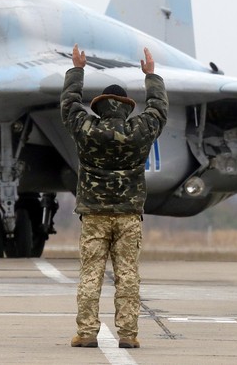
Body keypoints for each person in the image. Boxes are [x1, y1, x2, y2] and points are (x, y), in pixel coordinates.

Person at [61, 43, 168, 350]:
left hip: (94, 215)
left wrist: (77, 70)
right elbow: (159, 110)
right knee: (128, 276)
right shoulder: (139, 130)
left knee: (91, 274)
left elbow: (68, 105)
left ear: (100, 106)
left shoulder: (87, 129)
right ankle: (128, 334)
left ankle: (86, 333)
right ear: (124, 105)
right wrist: (151, 76)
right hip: (128, 216)